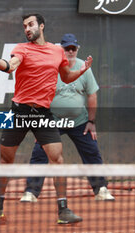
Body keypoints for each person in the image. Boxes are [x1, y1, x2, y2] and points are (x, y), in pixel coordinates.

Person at [0, 14, 93, 224]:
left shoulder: (57, 51)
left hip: (43, 113)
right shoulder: (21, 48)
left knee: (58, 159)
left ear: (41, 26)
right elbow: (10, 66)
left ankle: (63, 210)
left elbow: (65, 76)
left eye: (30, 25)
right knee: (6, 160)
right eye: (24, 26)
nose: (27, 29)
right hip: (18, 110)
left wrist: (81, 70)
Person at [20, 33, 114, 203]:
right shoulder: (50, 68)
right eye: (67, 48)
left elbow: (92, 95)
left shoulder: (84, 68)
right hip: (53, 120)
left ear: (77, 49)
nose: (70, 51)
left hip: (79, 121)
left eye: (73, 48)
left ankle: (101, 189)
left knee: (91, 151)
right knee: (40, 152)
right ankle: (31, 192)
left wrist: (91, 122)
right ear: (61, 50)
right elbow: (39, 96)